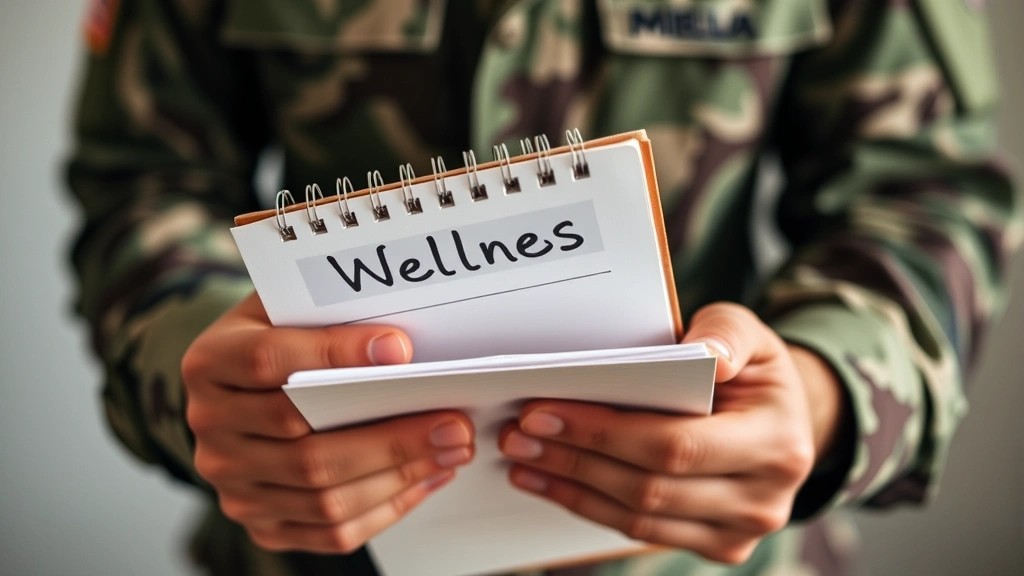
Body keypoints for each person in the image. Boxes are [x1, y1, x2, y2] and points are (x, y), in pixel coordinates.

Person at [66, 1, 1019, 575]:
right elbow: (144, 183)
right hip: (317, 552)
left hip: (706, 557)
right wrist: (209, 381)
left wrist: (822, 397)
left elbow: (921, 191)